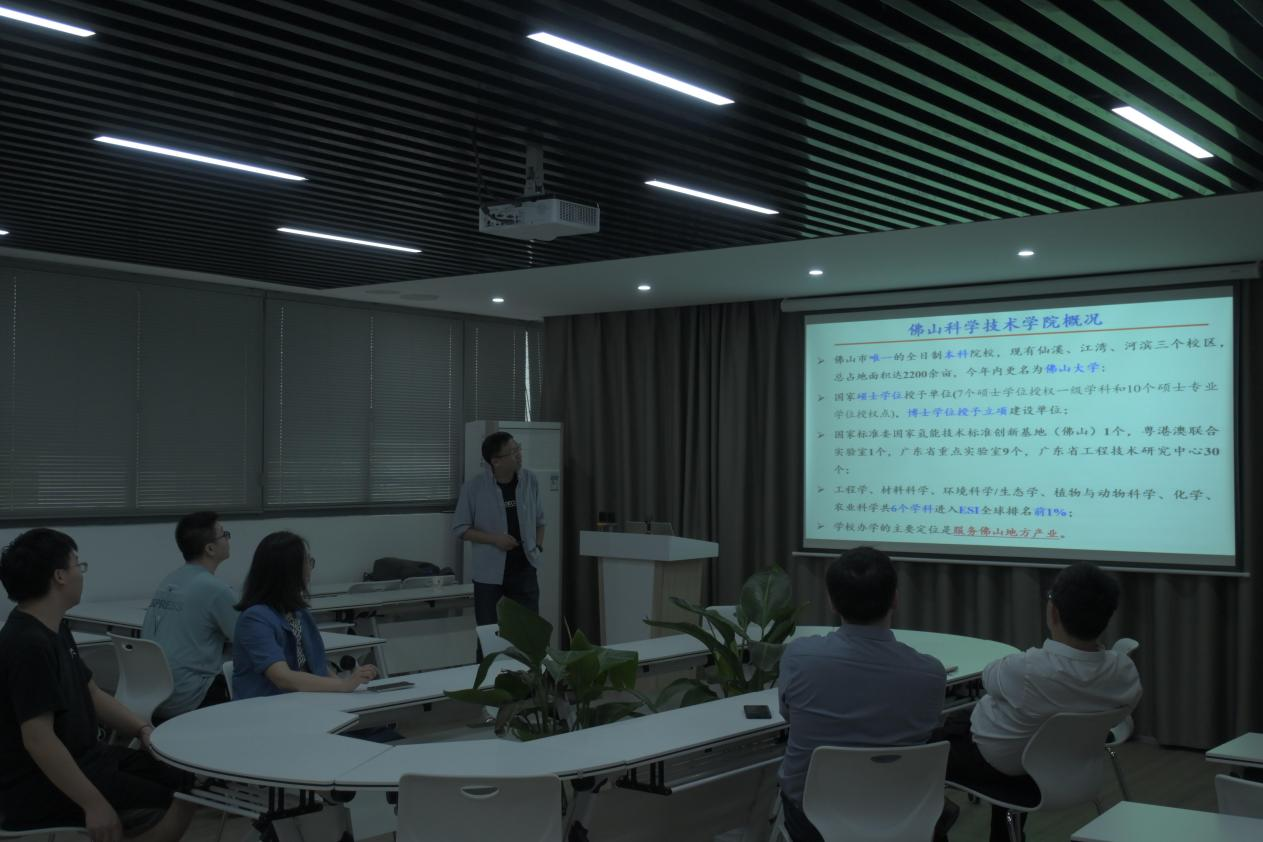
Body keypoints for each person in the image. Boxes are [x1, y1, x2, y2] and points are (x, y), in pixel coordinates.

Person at [0, 528, 196, 841]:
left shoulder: (53, 627)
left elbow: (90, 691)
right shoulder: (27, 644)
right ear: (59, 576)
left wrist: (141, 729)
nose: (82, 573)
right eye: (78, 565)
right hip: (39, 782)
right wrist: (93, 804)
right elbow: (39, 739)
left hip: (90, 758)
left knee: (183, 776)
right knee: (169, 799)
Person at [936, 562, 1142, 842]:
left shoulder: (1028, 670)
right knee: (1013, 729)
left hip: (1004, 763)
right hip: (1072, 765)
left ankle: (935, 820)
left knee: (924, 748)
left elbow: (988, 677)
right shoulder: (1123, 671)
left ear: (1053, 611)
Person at [776, 546, 951, 842]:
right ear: (895, 598)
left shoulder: (799, 658)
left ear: (831, 602)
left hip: (814, 818)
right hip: (902, 814)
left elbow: (788, 715)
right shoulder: (931, 674)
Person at [231, 531, 377, 699]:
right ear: (288, 570)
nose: (310, 569)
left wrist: (347, 687)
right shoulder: (255, 618)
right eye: (307, 561)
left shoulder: (299, 613)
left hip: (304, 701)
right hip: (269, 707)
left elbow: (318, 666)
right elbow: (282, 677)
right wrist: (343, 685)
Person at [141, 511, 237, 720]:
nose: (228, 539)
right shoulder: (216, 590)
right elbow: (247, 638)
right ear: (210, 549)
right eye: (224, 534)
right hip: (190, 697)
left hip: (149, 695)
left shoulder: (169, 581)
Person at [453, 431, 546, 625]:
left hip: (524, 570)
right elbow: (461, 529)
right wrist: (495, 539)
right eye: (513, 452)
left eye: (518, 448)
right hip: (489, 574)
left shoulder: (530, 480)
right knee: (489, 634)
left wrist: (538, 547)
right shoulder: (473, 488)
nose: (519, 454)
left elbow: (540, 521)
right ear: (496, 461)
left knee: (528, 632)